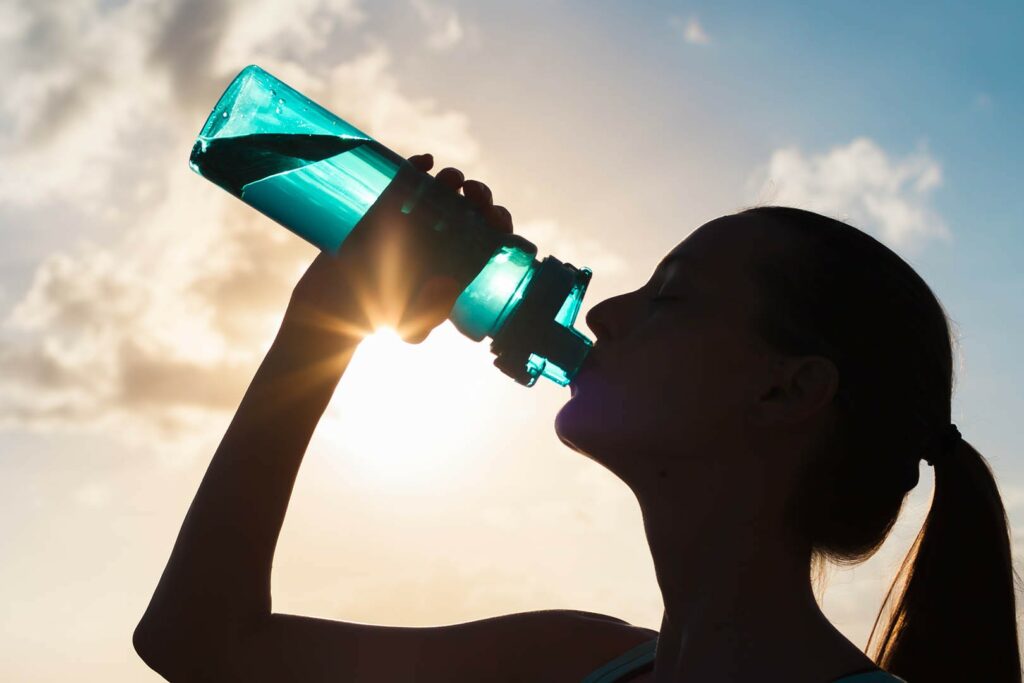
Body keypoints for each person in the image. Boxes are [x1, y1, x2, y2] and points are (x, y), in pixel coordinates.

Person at [134, 154, 1021, 682]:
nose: (602, 314)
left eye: (669, 298)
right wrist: (322, 328)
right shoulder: (568, 660)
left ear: (787, 391)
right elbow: (201, 643)